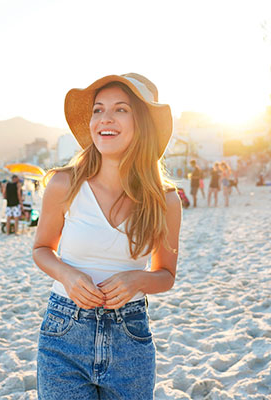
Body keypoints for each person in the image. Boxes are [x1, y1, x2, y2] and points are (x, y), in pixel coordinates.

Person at [32, 73, 181, 399]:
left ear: (142, 124)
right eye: (98, 110)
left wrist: (136, 281)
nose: (105, 118)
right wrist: (67, 275)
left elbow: (166, 275)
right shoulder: (64, 184)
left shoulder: (165, 200)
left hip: (131, 335)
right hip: (65, 330)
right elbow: (42, 249)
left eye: (120, 110)